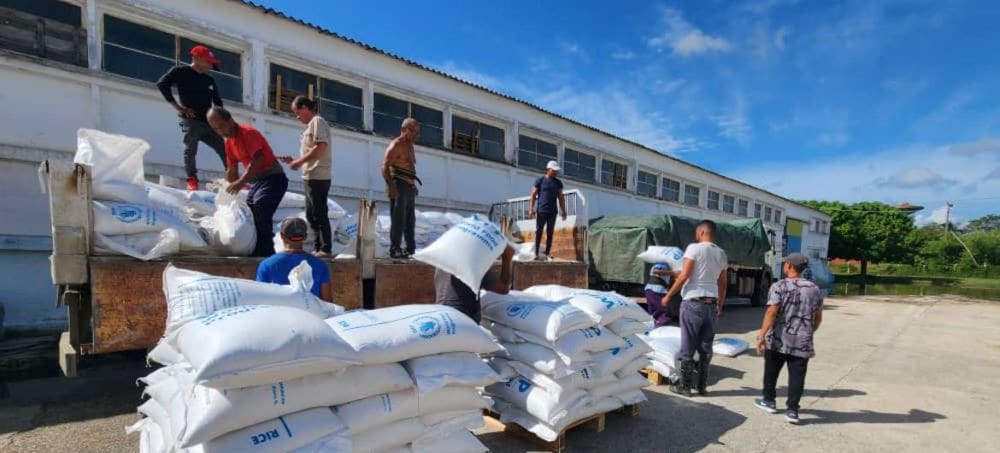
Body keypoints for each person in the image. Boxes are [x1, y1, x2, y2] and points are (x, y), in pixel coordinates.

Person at [207, 107, 288, 257]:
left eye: (222, 126)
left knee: (260, 206)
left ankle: (266, 252)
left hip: (274, 178)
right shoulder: (229, 143)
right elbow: (231, 168)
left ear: (230, 120)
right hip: (258, 181)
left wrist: (240, 182)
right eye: (216, 129)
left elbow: (258, 160)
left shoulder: (248, 133)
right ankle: (254, 248)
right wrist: (228, 190)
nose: (221, 131)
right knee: (249, 211)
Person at [754, 253, 824, 424]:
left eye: (785, 263)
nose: (784, 266)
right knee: (797, 376)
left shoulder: (779, 286)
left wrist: (761, 335)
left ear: (790, 266)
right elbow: (818, 317)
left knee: (771, 370)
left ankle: (769, 401)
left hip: (778, 338)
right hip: (802, 340)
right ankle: (792, 411)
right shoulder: (814, 289)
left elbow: (771, 312)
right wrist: (808, 331)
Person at [662, 220, 728, 396]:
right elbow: (722, 283)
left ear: (700, 232)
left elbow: (685, 275)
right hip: (711, 305)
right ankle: (701, 387)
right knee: (706, 346)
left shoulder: (694, 248)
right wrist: (720, 304)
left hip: (693, 302)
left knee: (688, 345)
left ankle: (685, 387)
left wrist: (668, 295)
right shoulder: (721, 253)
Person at [156, 45, 227, 191]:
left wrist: (222, 123)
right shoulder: (180, 72)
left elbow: (218, 102)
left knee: (225, 148)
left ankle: (234, 178)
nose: (210, 66)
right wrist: (179, 107)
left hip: (209, 123)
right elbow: (162, 84)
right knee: (190, 149)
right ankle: (192, 180)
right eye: (208, 62)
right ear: (197, 59)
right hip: (191, 120)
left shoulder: (209, 80)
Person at [279, 96, 333, 257]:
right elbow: (313, 152)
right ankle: (319, 247)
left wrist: (299, 162)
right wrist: (295, 161)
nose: (297, 117)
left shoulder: (317, 122)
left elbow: (320, 147)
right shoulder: (311, 126)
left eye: (297, 112)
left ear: (305, 108)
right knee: (311, 214)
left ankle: (325, 248)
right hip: (310, 175)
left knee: (319, 212)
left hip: (318, 175)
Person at [257, 218, 332, 302]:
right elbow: (327, 303)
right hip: (310, 315)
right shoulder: (320, 265)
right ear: (305, 236)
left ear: (282, 236)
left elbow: (261, 299)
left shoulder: (266, 265)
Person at [435, 245, 515, 323]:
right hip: (462, 320)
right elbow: (503, 288)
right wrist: (507, 258)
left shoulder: (443, 260)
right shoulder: (472, 262)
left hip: (441, 316)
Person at [381, 118, 421, 259]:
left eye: (418, 132)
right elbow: (384, 167)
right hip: (398, 185)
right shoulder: (396, 145)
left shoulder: (410, 146)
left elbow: (409, 167)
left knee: (410, 220)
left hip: (408, 186)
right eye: (415, 132)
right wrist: (391, 187)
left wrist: (413, 185)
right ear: (406, 130)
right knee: (398, 219)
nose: (417, 135)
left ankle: (410, 249)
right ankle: (395, 249)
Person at [526, 160, 567, 260]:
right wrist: (531, 209)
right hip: (541, 210)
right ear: (548, 170)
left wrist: (564, 211)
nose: (556, 172)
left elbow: (561, 197)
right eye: (554, 170)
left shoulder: (558, 183)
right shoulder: (539, 181)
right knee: (539, 230)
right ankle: (536, 253)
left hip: (553, 211)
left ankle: (547, 252)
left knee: (550, 232)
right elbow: (533, 195)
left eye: (556, 171)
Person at [644, 262, 674, 327]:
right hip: (657, 290)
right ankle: (660, 330)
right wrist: (673, 273)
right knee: (663, 313)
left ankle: (652, 328)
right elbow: (656, 271)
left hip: (652, 290)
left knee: (653, 313)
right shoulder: (662, 263)